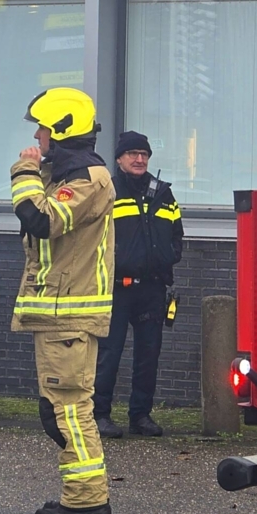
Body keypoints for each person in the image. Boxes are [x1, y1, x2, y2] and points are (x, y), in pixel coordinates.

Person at [9, 87, 115, 514]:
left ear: (63, 130)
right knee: (59, 409)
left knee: (68, 410)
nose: (38, 135)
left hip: (69, 314)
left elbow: (41, 220)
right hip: (59, 314)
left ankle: (86, 500)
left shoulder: (87, 179)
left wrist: (24, 171)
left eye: (44, 128)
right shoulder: (69, 175)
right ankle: (81, 495)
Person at [93, 131, 183, 439]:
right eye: (132, 153)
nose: (139, 159)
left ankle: (140, 416)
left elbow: (176, 233)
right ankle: (99, 415)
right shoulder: (108, 191)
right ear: (119, 159)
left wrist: (171, 257)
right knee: (109, 354)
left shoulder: (163, 194)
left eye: (144, 154)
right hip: (117, 287)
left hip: (152, 288)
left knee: (148, 356)